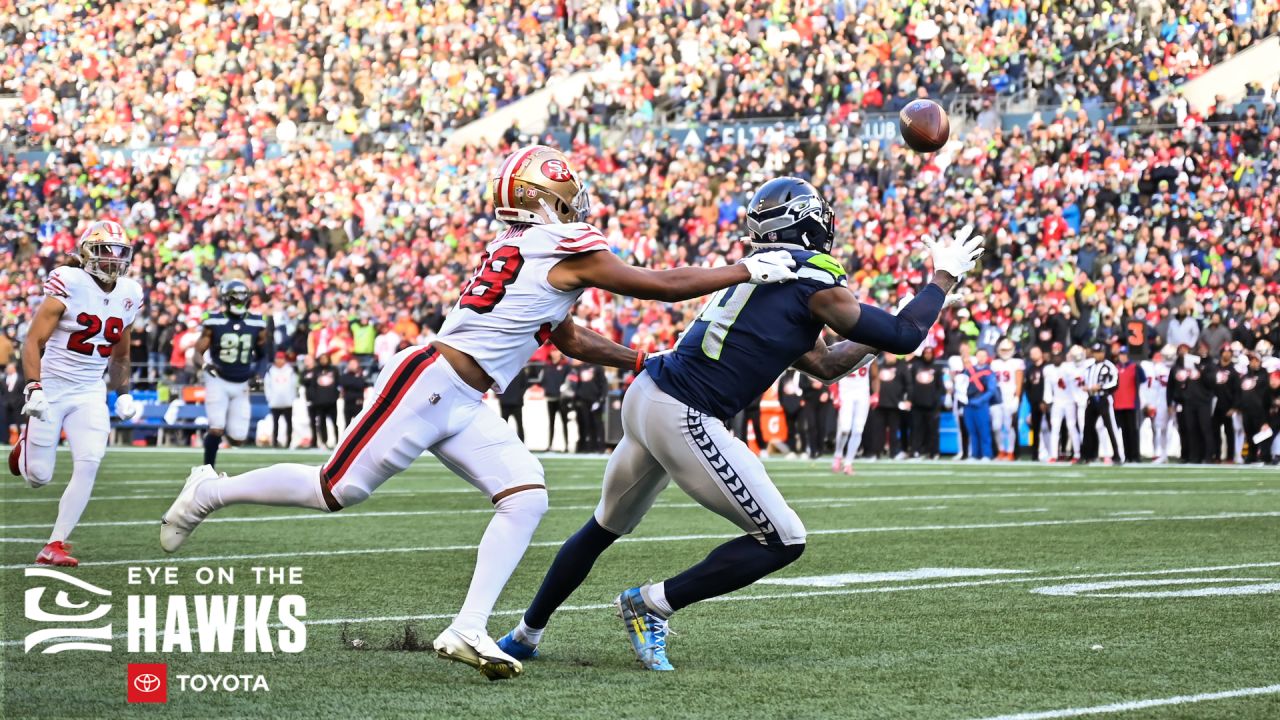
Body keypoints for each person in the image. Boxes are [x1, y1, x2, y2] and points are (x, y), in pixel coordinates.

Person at [158, 145, 799, 680]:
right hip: (430, 381)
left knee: (525, 497)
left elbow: (566, 337)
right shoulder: (560, 243)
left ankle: (468, 628)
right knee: (336, 490)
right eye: (566, 192)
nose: (577, 201)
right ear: (543, 199)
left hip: (468, 397)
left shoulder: (525, 244)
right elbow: (657, 283)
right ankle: (210, 491)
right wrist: (744, 267)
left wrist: (635, 362)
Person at [495, 178, 984, 671]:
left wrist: (885, 329)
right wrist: (943, 278)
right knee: (784, 539)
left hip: (648, 395)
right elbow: (903, 336)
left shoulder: (771, 275)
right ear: (809, 222)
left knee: (604, 526)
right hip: (683, 411)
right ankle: (652, 604)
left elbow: (827, 363)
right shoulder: (813, 281)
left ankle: (524, 634)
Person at [8, 221, 143, 566]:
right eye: (104, 251)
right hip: (52, 386)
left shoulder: (130, 292)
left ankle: (55, 544)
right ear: (85, 253)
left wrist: (123, 391)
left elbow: (122, 354)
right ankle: (23, 449)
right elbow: (33, 341)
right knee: (38, 476)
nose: (112, 260)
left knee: (89, 461)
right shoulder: (68, 282)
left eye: (118, 253)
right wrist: (33, 386)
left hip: (89, 390)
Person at [193, 280, 269, 468]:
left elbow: (263, 355)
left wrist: (258, 374)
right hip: (217, 379)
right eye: (234, 299)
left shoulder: (257, 322)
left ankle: (218, 432)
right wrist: (204, 366)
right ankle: (207, 468)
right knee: (216, 428)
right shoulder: (213, 321)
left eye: (242, 299)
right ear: (226, 300)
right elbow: (197, 352)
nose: (238, 303)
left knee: (238, 439)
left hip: (242, 383)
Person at [1081, 343, 1124, 464]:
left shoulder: (1109, 366)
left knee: (1111, 427)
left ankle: (1118, 455)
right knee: (1088, 427)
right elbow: (1085, 380)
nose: (1097, 354)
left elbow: (1115, 383)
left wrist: (1100, 387)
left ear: (1103, 353)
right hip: (1092, 399)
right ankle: (1087, 455)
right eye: (1095, 352)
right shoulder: (1089, 366)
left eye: (1099, 352)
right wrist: (1087, 387)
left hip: (1104, 399)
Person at [833, 359, 873, 473]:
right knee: (845, 429)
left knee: (858, 430)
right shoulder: (841, 348)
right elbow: (830, 372)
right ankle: (838, 454)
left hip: (862, 394)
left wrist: (876, 394)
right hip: (845, 393)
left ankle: (848, 463)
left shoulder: (870, 350)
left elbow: (875, 375)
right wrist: (834, 393)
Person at [1045, 348, 1084, 463]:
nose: (1056, 358)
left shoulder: (1069, 367)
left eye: (1058, 356)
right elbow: (1048, 387)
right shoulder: (1048, 369)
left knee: (1072, 427)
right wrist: (1047, 401)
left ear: (1062, 357)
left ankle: (1077, 453)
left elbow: (1076, 381)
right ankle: (1053, 455)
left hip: (1069, 401)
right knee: (1055, 427)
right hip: (1057, 401)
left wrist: (1077, 399)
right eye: (1054, 356)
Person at [868, 353, 909, 459]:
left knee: (894, 430)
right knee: (878, 430)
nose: (889, 356)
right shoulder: (879, 366)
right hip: (879, 404)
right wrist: (872, 396)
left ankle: (894, 452)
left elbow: (908, 384)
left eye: (891, 354)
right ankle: (876, 453)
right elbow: (872, 381)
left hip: (894, 404)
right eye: (888, 354)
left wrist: (907, 399)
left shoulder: (902, 368)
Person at [989, 338, 1024, 460]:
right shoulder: (994, 363)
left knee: (1009, 426)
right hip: (997, 398)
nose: (1005, 352)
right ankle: (1001, 450)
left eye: (1007, 349)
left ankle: (1010, 451)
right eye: (1003, 349)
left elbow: (1019, 382)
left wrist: (1017, 398)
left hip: (1010, 397)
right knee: (996, 426)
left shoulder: (1017, 362)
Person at [908, 347, 944, 458]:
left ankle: (934, 452)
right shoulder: (916, 366)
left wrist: (936, 401)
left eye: (930, 353)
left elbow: (940, 387)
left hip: (932, 405)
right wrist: (911, 399)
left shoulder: (937, 368)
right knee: (916, 429)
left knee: (933, 430)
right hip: (917, 404)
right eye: (926, 353)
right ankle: (915, 450)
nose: (928, 355)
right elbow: (911, 384)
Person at [1139, 347, 1174, 463]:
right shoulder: (1153, 368)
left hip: (1175, 400)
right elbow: (1150, 388)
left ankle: (1179, 453)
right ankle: (1160, 453)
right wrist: (1148, 403)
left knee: (1180, 428)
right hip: (1160, 401)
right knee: (1159, 428)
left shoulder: (1176, 367)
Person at [1237, 353, 1273, 464]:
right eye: (1251, 360)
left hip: (1260, 410)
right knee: (1249, 433)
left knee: (1262, 433)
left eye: (1255, 360)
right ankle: (1251, 455)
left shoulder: (1264, 375)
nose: (1253, 362)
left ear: (1259, 361)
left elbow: (1266, 394)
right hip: (1247, 410)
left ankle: (1265, 455)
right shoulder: (1245, 376)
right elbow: (1240, 392)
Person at [963, 348, 997, 460]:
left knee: (984, 430)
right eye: (979, 355)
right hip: (968, 404)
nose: (981, 358)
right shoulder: (968, 371)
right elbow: (961, 386)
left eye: (984, 356)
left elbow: (991, 390)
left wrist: (981, 400)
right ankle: (974, 454)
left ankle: (987, 454)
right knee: (972, 430)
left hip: (981, 405)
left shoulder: (989, 372)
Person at [1208, 346, 1240, 463]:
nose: (1226, 354)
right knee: (1215, 432)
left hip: (1228, 406)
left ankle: (1230, 457)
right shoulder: (1214, 368)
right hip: (1215, 405)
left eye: (1229, 352)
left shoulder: (1234, 371)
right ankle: (1216, 455)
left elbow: (1237, 391)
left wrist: (1234, 407)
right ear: (1221, 353)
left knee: (1229, 433)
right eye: (1225, 352)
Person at [1112, 346, 1144, 463]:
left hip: (1131, 403)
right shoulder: (1115, 368)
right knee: (1124, 431)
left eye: (1124, 354)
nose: (1123, 356)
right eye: (1121, 354)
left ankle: (1135, 455)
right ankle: (1127, 456)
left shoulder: (1135, 367)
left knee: (1133, 430)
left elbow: (1143, 380)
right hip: (1119, 404)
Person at [302, 354, 340, 448]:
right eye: (322, 359)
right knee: (321, 423)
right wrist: (315, 398)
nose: (323, 360)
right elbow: (312, 385)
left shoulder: (334, 370)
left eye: (325, 358)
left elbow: (338, 384)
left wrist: (335, 396)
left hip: (331, 401)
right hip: (319, 402)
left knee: (334, 422)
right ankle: (324, 441)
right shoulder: (316, 371)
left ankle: (338, 441)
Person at [537, 349, 571, 451]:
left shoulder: (566, 366)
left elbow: (569, 381)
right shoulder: (547, 367)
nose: (554, 353)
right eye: (553, 351)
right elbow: (541, 381)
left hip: (562, 399)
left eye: (556, 351)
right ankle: (550, 445)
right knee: (551, 422)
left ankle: (566, 446)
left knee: (564, 422)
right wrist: (547, 389)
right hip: (550, 398)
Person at [571, 360, 607, 452]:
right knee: (585, 424)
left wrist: (601, 399)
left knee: (597, 424)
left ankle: (599, 447)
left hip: (595, 400)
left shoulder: (598, 367)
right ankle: (587, 446)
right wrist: (576, 399)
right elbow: (577, 384)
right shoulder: (580, 368)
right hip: (583, 400)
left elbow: (603, 384)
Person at [263, 352, 298, 448]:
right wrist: (269, 398)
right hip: (275, 402)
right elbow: (267, 385)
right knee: (275, 423)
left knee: (289, 423)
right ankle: (274, 441)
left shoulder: (290, 370)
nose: (279, 361)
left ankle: (289, 442)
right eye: (278, 359)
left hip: (287, 401)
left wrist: (292, 398)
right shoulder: (271, 371)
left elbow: (294, 385)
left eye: (281, 359)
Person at [1023, 346, 1047, 460]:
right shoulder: (1029, 369)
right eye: (1032, 353)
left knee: (1049, 427)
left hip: (1047, 403)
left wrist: (1045, 401)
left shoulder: (1047, 367)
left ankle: (1052, 452)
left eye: (1036, 352)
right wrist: (1033, 400)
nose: (1033, 355)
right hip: (1034, 402)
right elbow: (1027, 387)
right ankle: (1035, 453)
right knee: (1035, 429)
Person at [498, 365, 529, 442]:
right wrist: (501, 396)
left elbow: (525, 385)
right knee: (504, 426)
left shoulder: (520, 370)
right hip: (506, 403)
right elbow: (496, 384)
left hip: (516, 403)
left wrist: (519, 395)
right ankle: (503, 444)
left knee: (519, 425)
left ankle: (522, 445)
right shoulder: (501, 370)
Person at [338, 357, 370, 429]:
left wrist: (353, 382)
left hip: (358, 403)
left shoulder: (362, 376)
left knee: (358, 425)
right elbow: (344, 383)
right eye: (351, 364)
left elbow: (361, 385)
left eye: (354, 364)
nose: (352, 365)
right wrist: (355, 381)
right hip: (348, 403)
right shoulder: (344, 376)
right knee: (347, 425)